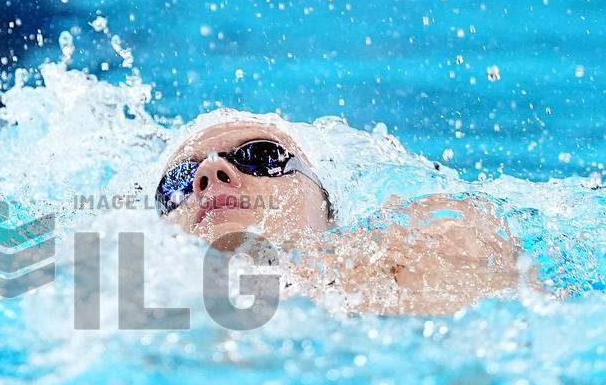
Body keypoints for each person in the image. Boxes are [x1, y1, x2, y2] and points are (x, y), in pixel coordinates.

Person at [155, 114, 526, 315]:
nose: (209, 174)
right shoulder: (127, 298)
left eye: (260, 157)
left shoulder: (422, 239)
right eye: (179, 181)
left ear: (327, 205)